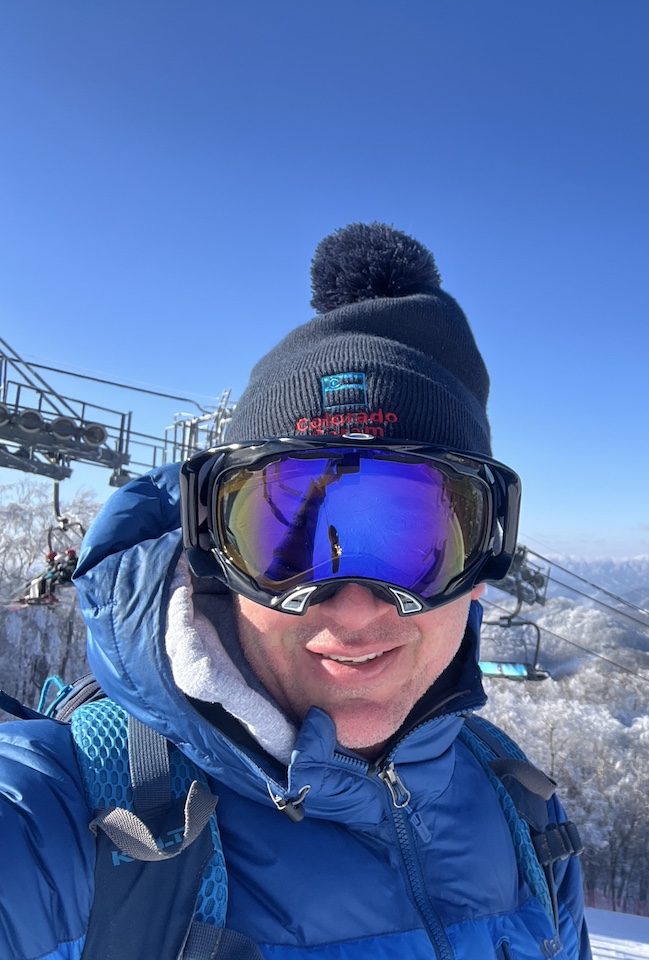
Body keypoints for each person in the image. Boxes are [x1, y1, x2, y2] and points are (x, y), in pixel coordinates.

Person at [0, 223, 589, 960]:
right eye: (288, 539)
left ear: (478, 573)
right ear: (214, 554)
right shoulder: (67, 826)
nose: (351, 606)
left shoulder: (524, 815)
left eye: (415, 541)